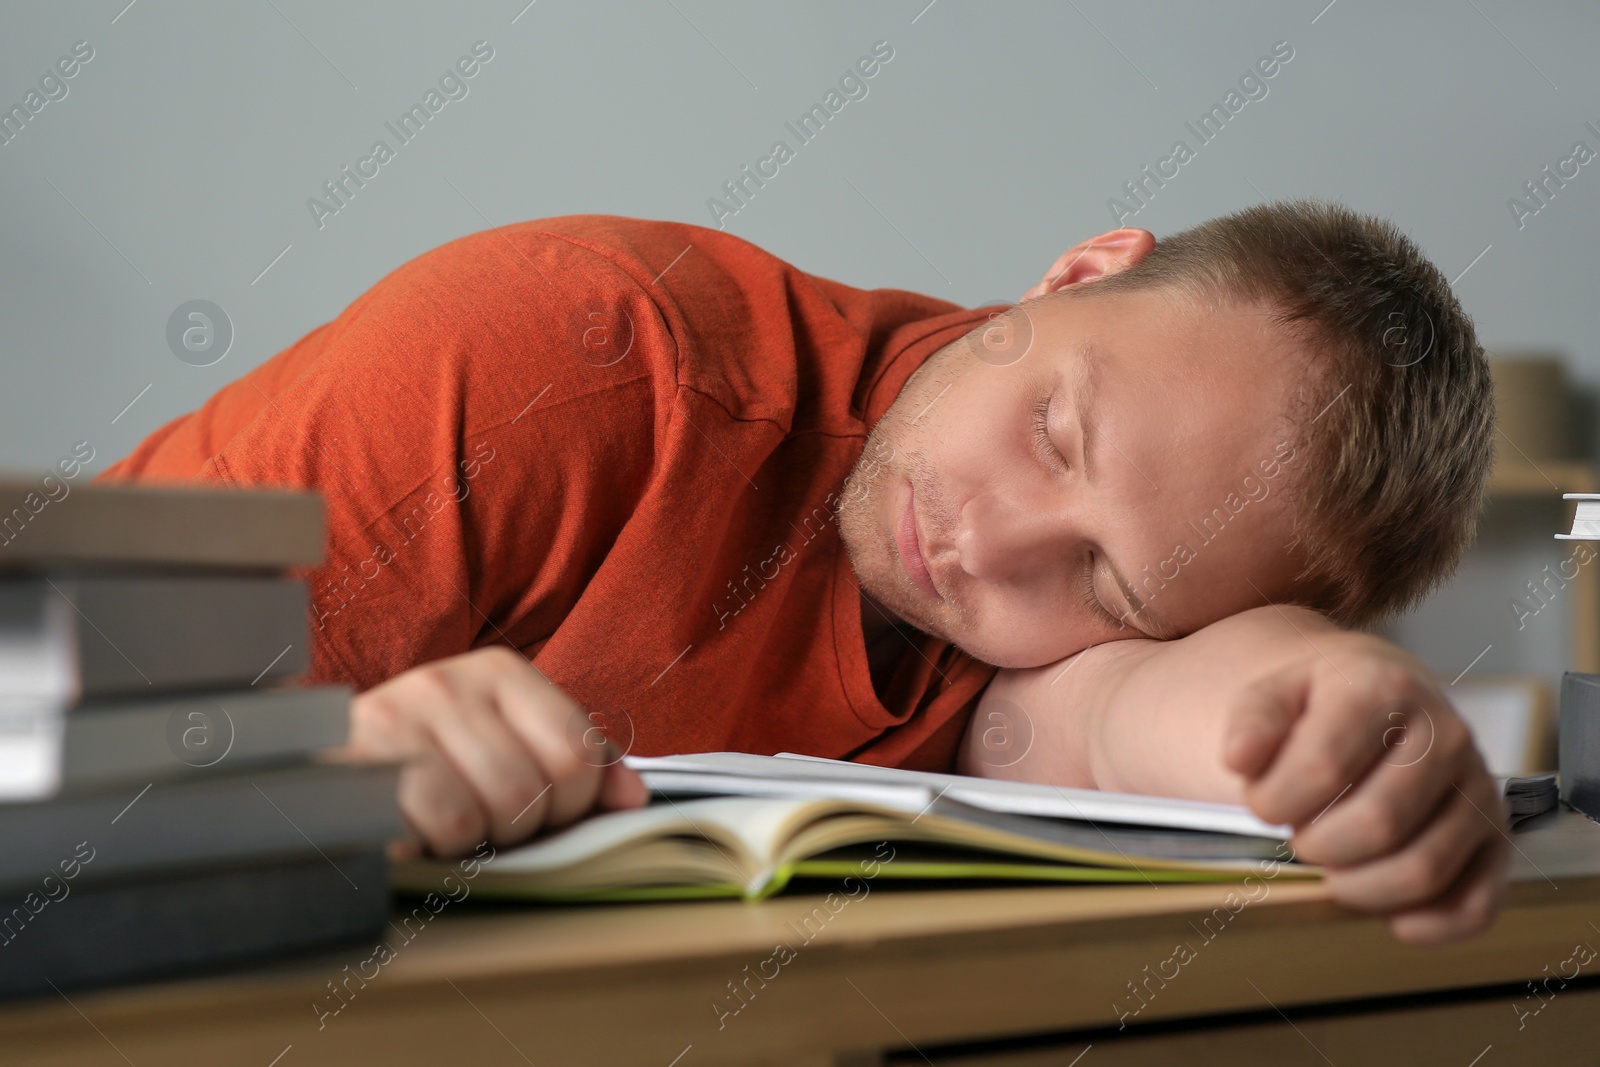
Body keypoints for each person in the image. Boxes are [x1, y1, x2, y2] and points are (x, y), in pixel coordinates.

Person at [99, 201, 1502, 944]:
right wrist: (307, 763)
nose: (988, 545)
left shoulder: (1033, 654)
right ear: (1078, 272)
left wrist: (1353, 707)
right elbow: (42, 722)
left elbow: (1152, 718)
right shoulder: (575, 358)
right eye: (1051, 429)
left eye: (1109, 585)